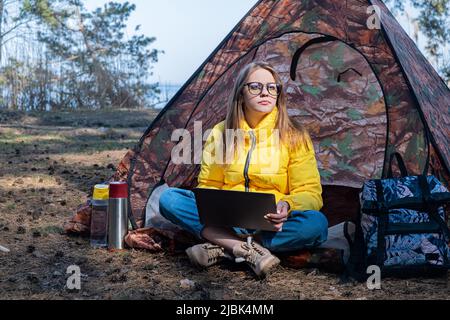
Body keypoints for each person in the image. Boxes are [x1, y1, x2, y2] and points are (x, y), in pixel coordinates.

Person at [159, 61, 328, 278]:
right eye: (256, 86)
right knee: (170, 199)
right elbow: (209, 186)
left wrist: (287, 205)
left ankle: (225, 247)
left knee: (317, 224)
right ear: (241, 93)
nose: (265, 92)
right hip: (228, 219)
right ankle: (244, 249)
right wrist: (218, 208)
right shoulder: (221, 132)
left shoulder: (295, 134)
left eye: (272, 87)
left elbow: (311, 192)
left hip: (270, 225)